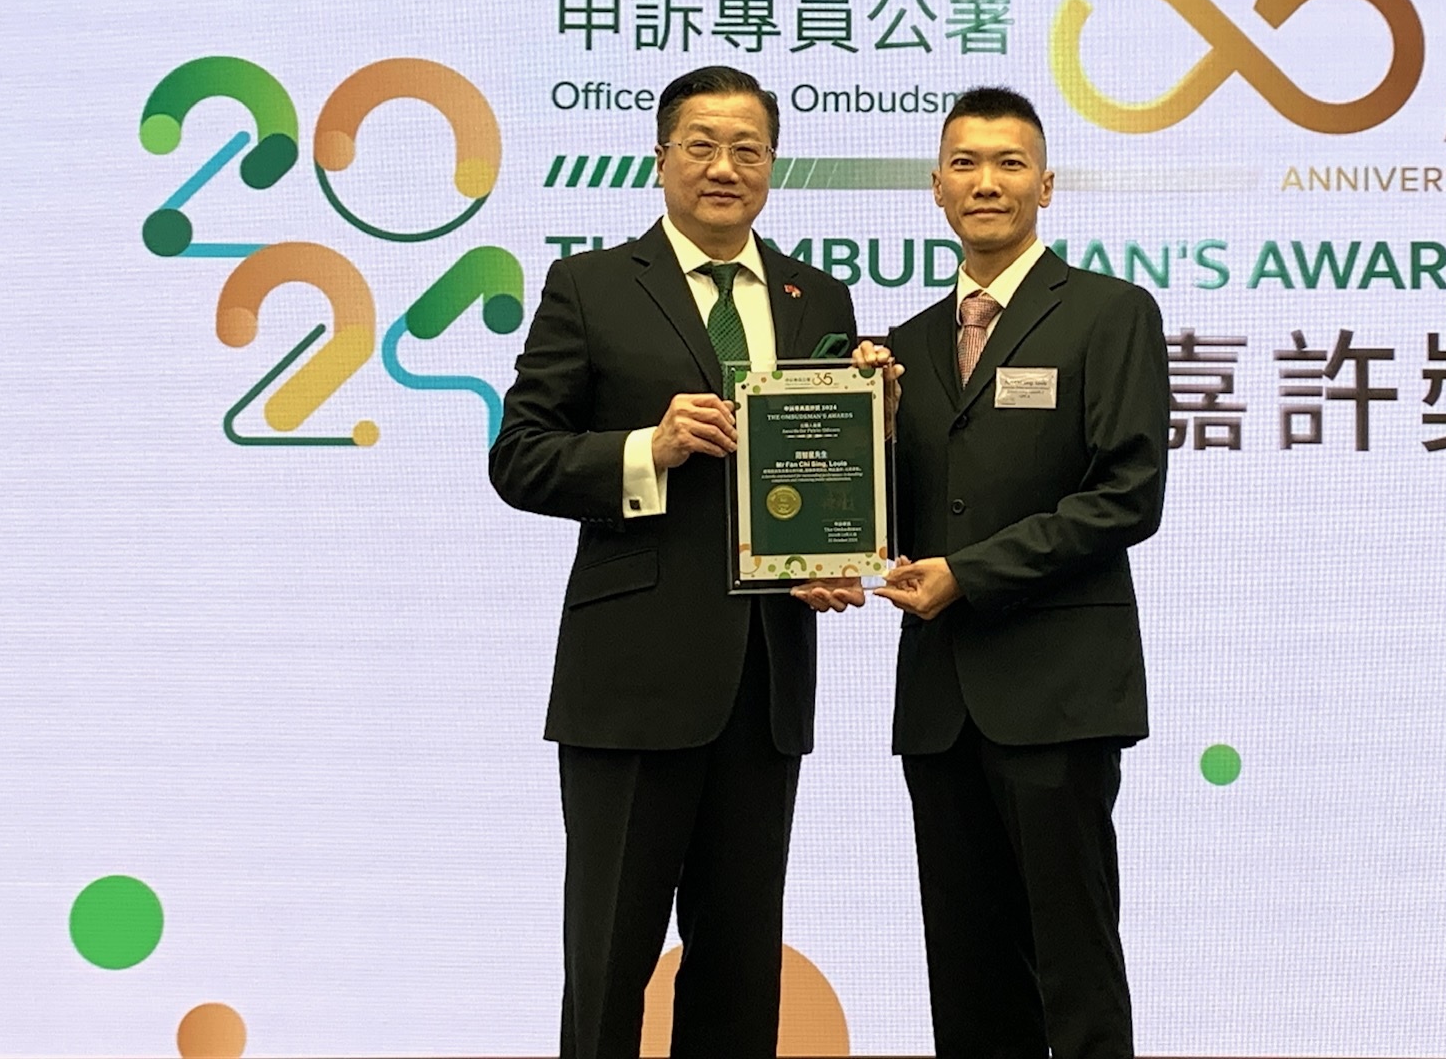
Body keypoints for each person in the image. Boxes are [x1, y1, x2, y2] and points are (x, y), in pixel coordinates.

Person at [488, 65, 858, 1059]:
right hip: (631, 679)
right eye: (701, 145)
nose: (723, 167)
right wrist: (645, 448)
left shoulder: (817, 296)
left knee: (740, 968)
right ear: (660, 160)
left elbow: (827, 467)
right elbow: (518, 456)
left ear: (772, 166)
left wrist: (837, 545)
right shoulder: (591, 286)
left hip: (765, 680)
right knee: (609, 961)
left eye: (747, 148)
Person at [863, 87, 1171, 1059]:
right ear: (935, 187)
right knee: (966, 972)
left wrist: (970, 574)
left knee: (1072, 967)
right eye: (964, 163)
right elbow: (894, 523)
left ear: (1045, 185)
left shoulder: (1109, 314)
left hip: (1057, 695)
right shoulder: (903, 348)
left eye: (1008, 163)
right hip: (939, 702)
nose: (985, 182)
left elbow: (1127, 497)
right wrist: (869, 447)